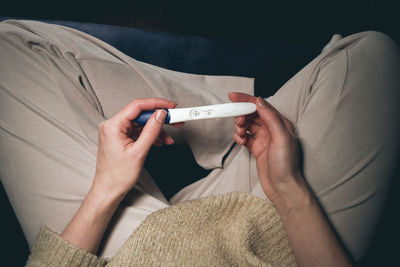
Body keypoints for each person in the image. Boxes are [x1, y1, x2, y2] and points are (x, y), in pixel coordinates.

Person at [0, 19, 399, 266]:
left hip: (127, 249)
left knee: (8, 45)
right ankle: (221, 125)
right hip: (280, 236)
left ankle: (215, 123)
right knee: (373, 56)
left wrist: (105, 190)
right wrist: (288, 187)